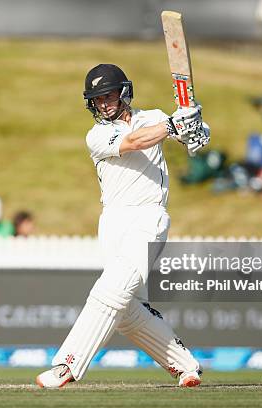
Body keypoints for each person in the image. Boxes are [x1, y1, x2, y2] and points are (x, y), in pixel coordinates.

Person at [35, 64, 210, 388]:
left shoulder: (153, 116)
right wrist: (173, 124)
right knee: (127, 310)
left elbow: (194, 142)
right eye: (97, 98)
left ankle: (67, 365)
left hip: (148, 217)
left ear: (124, 91)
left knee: (110, 290)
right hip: (113, 221)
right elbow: (134, 142)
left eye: (109, 94)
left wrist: (195, 125)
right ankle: (186, 366)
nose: (103, 103)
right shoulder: (97, 135)